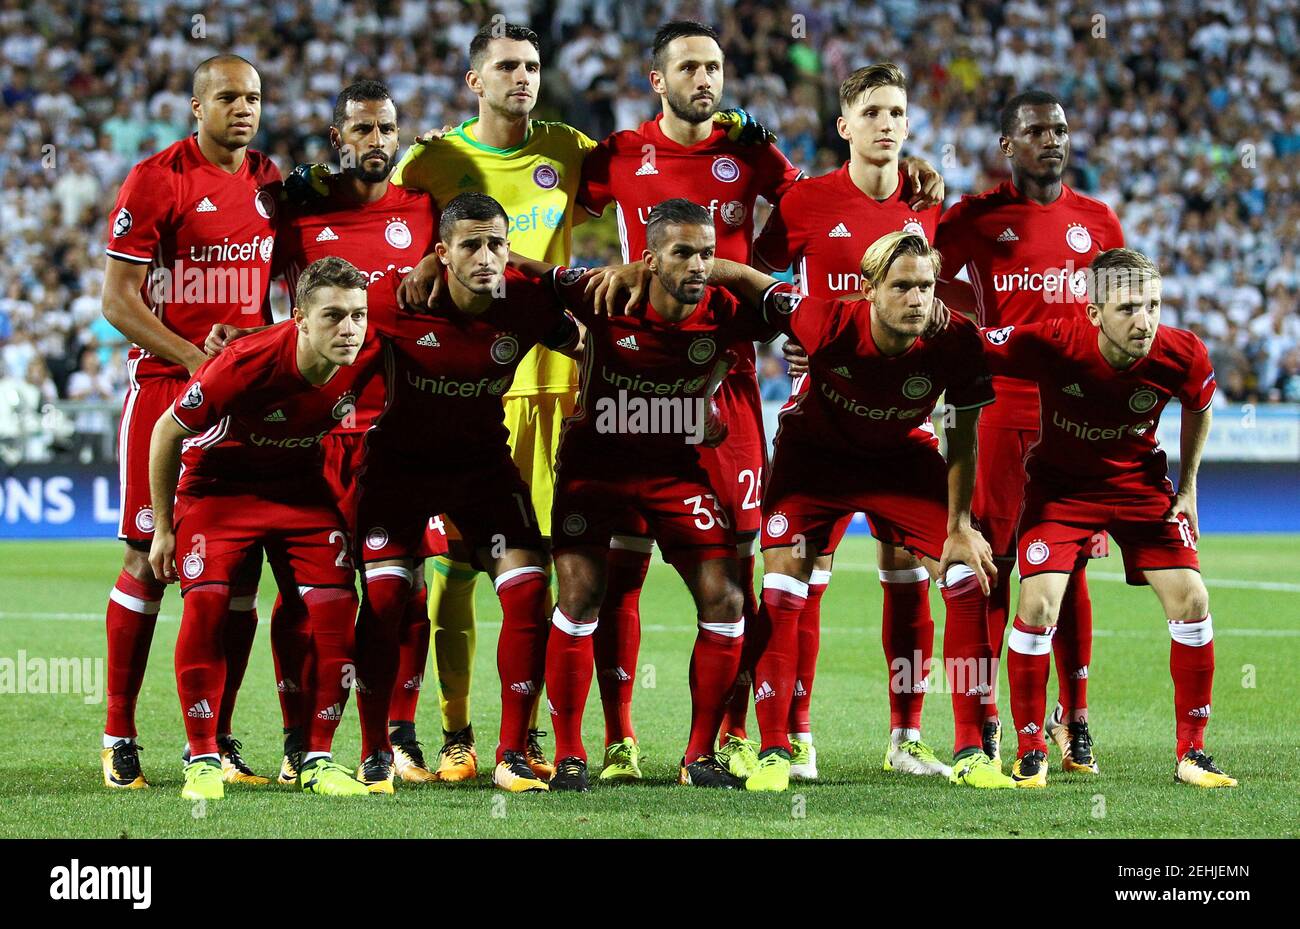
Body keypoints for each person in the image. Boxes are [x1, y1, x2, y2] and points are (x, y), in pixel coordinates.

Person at [576, 26, 945, 783]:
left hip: (730, 379)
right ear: (657, 78)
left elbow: (822, 211)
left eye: (715, 65)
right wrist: (602, 276)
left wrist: (901, 166)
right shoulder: (613, 156)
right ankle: (619, 738)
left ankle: (734, 736)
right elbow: (542, 207)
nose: (705, 77)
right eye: (689, 66)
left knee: (743, 568)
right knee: (622, 563)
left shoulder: (755, 158)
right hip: (631, 376)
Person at [705, 231, 1015, 792]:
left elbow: (963, 436)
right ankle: (776, 748)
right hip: (814, 461)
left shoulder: (956, 341)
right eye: (902, 287)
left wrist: (959, 526)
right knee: (782, 586)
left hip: (900, 459)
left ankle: (971, 749)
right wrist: (671, 268)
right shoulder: (824, 322)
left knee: (967, 576)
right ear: (869, 289)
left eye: (926, 286)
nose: (918, 299)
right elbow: (749, 279)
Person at [214, 79, 440, 785]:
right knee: (307, 592)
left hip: (402, 433)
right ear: (338, 138)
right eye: (363, 130)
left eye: (387, 129)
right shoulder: (297, 212)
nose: (377, 142)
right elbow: (244, 273)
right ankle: (294, 738)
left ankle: (395, 735)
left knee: (408, 590)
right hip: (320, 432)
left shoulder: (421, 210)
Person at [536, 198, 776, 792]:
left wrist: (730, 272)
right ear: (648, 259)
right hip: (598, 467)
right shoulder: (604, 294)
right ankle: (570, 752)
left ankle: (700, 756)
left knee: (726, 599)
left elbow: (790, 306)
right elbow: (526, 274)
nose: (697, 266)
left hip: (675, 471)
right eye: (683, 253)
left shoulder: (724, 309)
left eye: (706, 253)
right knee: (582, 595)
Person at [751, 61, 948, 780]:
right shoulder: (805, 202)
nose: (886, 124)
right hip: (821, 424)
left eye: (896, 112)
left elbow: (927, 305)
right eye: (871, 113)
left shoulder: (925, 203)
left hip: (899, 425)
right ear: (844, 126)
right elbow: (761, 280)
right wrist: (792, 335)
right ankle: (795, 735)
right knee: (801, 574)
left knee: (909, 573)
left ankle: (907, 738)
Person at [349, 192, 580, 794]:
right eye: (470, 245)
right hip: (398, 470)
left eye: (496, 244)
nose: (485, 257)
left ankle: (512, 754)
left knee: (531, 590)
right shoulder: (393, 301)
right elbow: (319, 339)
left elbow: (592, 343)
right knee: (385, 601)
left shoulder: (525, 304)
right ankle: (375, 751)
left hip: (481, 467)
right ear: (441, 253)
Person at [983, 247, 1236, 788]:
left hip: (1140, 488)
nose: (1144, 320)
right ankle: (1031, 748)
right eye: (1127, 309)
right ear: (1092, 313)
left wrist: (1188, 487)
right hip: (1062, 492)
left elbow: (1199, 404)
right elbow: (973, 347)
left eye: (1153, 305)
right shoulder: (1054, 342)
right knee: (1039, 602)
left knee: (1193, 599)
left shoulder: (1182, 353)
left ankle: (1192, 753)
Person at [99, 54, 280, 790]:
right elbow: (117, 300)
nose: (244, 109)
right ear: (196, 107)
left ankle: (219, 741)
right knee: (148, 558)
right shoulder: (156, 178)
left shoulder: (272, 183)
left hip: (245, 401)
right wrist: (191, 356)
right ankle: (118, 735)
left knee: (237, 573)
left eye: (255, 98)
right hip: (166, 392)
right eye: (229, 97)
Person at [933, 90, 1125, 771]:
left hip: (1076, 418)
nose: (1052, 139)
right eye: (1037, 129)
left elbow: (1119, 321)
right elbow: (918, 272)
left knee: (1068, 567)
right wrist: (968, 325)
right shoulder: (975, 219)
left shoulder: (1099, 221)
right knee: (993, 566)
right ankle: (984, 720)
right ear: (1008, 145)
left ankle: (1074, 721)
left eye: (1061, 129)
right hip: (1000, 412)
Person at [148, 256, 379, 800]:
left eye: (358, 315)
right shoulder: (245, 364)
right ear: (300, 318)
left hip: (300, 491)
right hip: (219, 491)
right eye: (333, 317)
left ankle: (316, 756)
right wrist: (162, 529)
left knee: (335, 607)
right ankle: (202, 757)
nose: (348, 329)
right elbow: (165, 433)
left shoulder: (371, 350)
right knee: (206, 604)